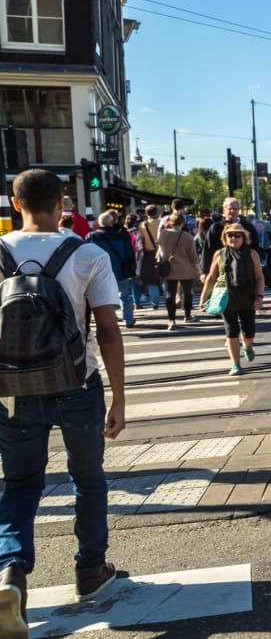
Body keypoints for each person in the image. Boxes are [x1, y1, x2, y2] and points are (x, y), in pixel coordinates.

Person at [0, 170, 125, 634]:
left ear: (15, 204)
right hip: (77, 383)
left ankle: (11, 573)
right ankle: (90, 570)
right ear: (63, 204)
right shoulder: (86, 253)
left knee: (19, 485)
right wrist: (120, 400)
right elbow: (109, 332)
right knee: (88, 479)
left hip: (13, 391)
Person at [198, 223, 265, 376]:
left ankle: (247, 346)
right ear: (225, 237)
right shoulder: (219, 254)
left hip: (247, 296)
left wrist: (259, 296)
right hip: (226, 297)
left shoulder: (252, 254)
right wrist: (203, 297)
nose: (233, 238)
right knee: (231, 331)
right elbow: (211, 277)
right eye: (230, 235)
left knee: (249, 332)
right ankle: (236, 364)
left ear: (244, 237)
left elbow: (259, 277)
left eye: (237, 235)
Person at [85, 210, 137, 328]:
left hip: (100, 272)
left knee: (103, 297)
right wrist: (132, 268)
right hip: (120, 270)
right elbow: (129, 253)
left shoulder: (92, 236)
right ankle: (128, 319)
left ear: (99, 223)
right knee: (125, 295)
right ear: (112, 222)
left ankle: (110, 318)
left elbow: (87, 254)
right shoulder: (121, 235)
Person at [158, 211, 202, 330]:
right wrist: (198, 270)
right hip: (186, 269)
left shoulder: (163, 234)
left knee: (169, 295)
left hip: (169, 268)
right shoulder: (188, 237)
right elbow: (193, 256)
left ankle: (171, 319)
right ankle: (187, 316)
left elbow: (160, 250)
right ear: (183, 223)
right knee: (187, 293)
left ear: (170, 222)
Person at [202, 198, 260, 279]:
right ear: (224, 210)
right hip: (221, 268)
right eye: (229, 208)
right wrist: (204, 272)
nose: (232, 211)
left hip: (243, 269)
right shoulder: (216, 228)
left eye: (235, 209)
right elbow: (207, 250)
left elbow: (255, 247)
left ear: (239, 210)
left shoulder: (247, 227)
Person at [136, 205, 164, 311]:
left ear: (146, 213)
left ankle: (155, 303)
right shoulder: (162, 223)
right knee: (166, 276)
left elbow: (141, 241)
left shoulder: (142, 225)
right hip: (162, 251)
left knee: (151, 280)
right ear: (156, 212)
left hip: (149, 253)